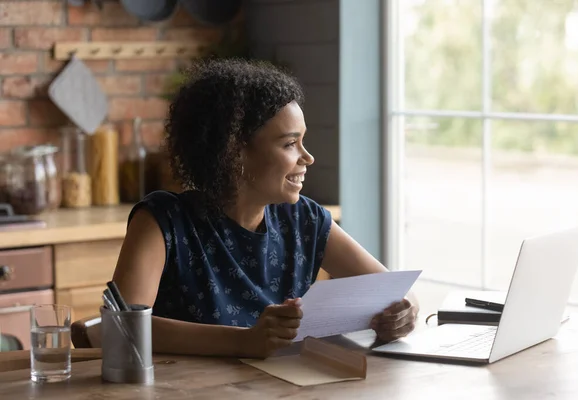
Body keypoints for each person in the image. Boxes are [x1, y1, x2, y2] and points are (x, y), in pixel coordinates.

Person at [112, 58, 419, 359]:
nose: (307, 157)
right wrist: (243, 341)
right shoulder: (162, 221)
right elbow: (121, 327)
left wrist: (406, 308)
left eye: (303, 142)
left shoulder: (305, 220)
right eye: (290, 144)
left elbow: (393, 291)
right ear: (234, 153)